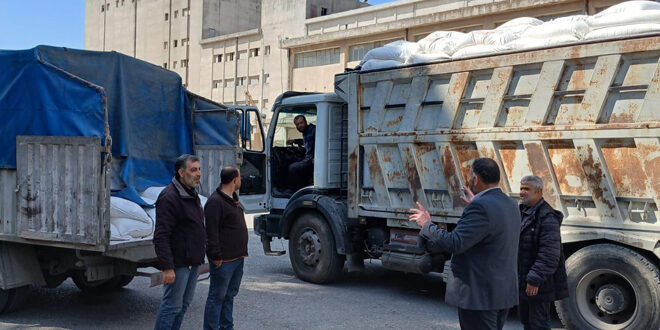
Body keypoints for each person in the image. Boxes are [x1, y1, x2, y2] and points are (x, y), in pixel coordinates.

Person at [409, 157, 520, 330]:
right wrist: (476, 202)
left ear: (475, 179)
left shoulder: (480, 207)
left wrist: (427, 224)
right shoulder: (511, 204)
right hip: (501, 292)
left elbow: (455, 243)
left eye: (470, 177)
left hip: (479, 294)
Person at [153, 154, 206, 330]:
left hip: (192, 262)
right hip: (178, 264)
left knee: (183, 305)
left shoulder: (191, 194)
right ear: (181, 172)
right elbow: (161, 236)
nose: (198, 174)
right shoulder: (169, 197)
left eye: (199, 169)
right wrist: (167, 267)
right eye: (193, 170)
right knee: (172, 306)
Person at [518, 175, 568, 330]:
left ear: (538, 191)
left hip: (538, 285)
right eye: (521, 188)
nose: (522, 192)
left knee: (538, 324)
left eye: (527, 189)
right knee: (527, 322)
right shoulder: (524, 212)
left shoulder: (547, 216)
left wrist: (534, 279)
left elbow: (550, 254)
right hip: (524, 281)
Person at [203, 166, 249, 330]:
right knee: (217, 297)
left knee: (229, 295)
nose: (241, 181)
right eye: (240, 178)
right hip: (224, 261)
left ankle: (226, 327)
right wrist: (216, 257)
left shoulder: (232, 198)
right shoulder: (215, 202)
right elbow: (211, 233)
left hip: (238, 258)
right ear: (235, 180)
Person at [287, 115, 315, 188]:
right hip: (308, 158)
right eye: (297, 124)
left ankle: (297, 189)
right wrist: (294, 141)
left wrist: (316, 157)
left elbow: (321, 142)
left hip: (312, 160)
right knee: (290, 160)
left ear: (305, 122)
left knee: (292, 168)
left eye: (301, 123)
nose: (300, 125)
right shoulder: (306, 132)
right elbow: (307, 141)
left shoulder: (313, 130)